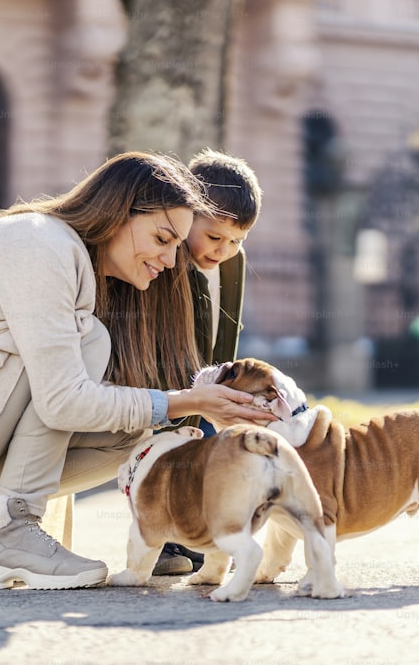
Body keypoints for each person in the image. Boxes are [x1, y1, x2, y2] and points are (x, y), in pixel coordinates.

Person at [0, 151, 276, 591]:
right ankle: (9, 529)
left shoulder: (66, 255)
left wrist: (183, 409)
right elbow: (61, 401)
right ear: (118, 213)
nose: (170, 261)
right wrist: (185, 402)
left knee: (127, 431)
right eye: (163, 239)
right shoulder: (40, 245)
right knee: (91, 343)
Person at [152, 148, 264, 576]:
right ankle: (166, 544)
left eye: (236, 241)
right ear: (187, 218)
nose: (224, 250)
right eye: (214, 237)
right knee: (172, 460)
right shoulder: (169, 261)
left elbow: (224, 330)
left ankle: (210, 542)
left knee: (215, 462)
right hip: (170, 383)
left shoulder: (231, 265)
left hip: (213, 382)